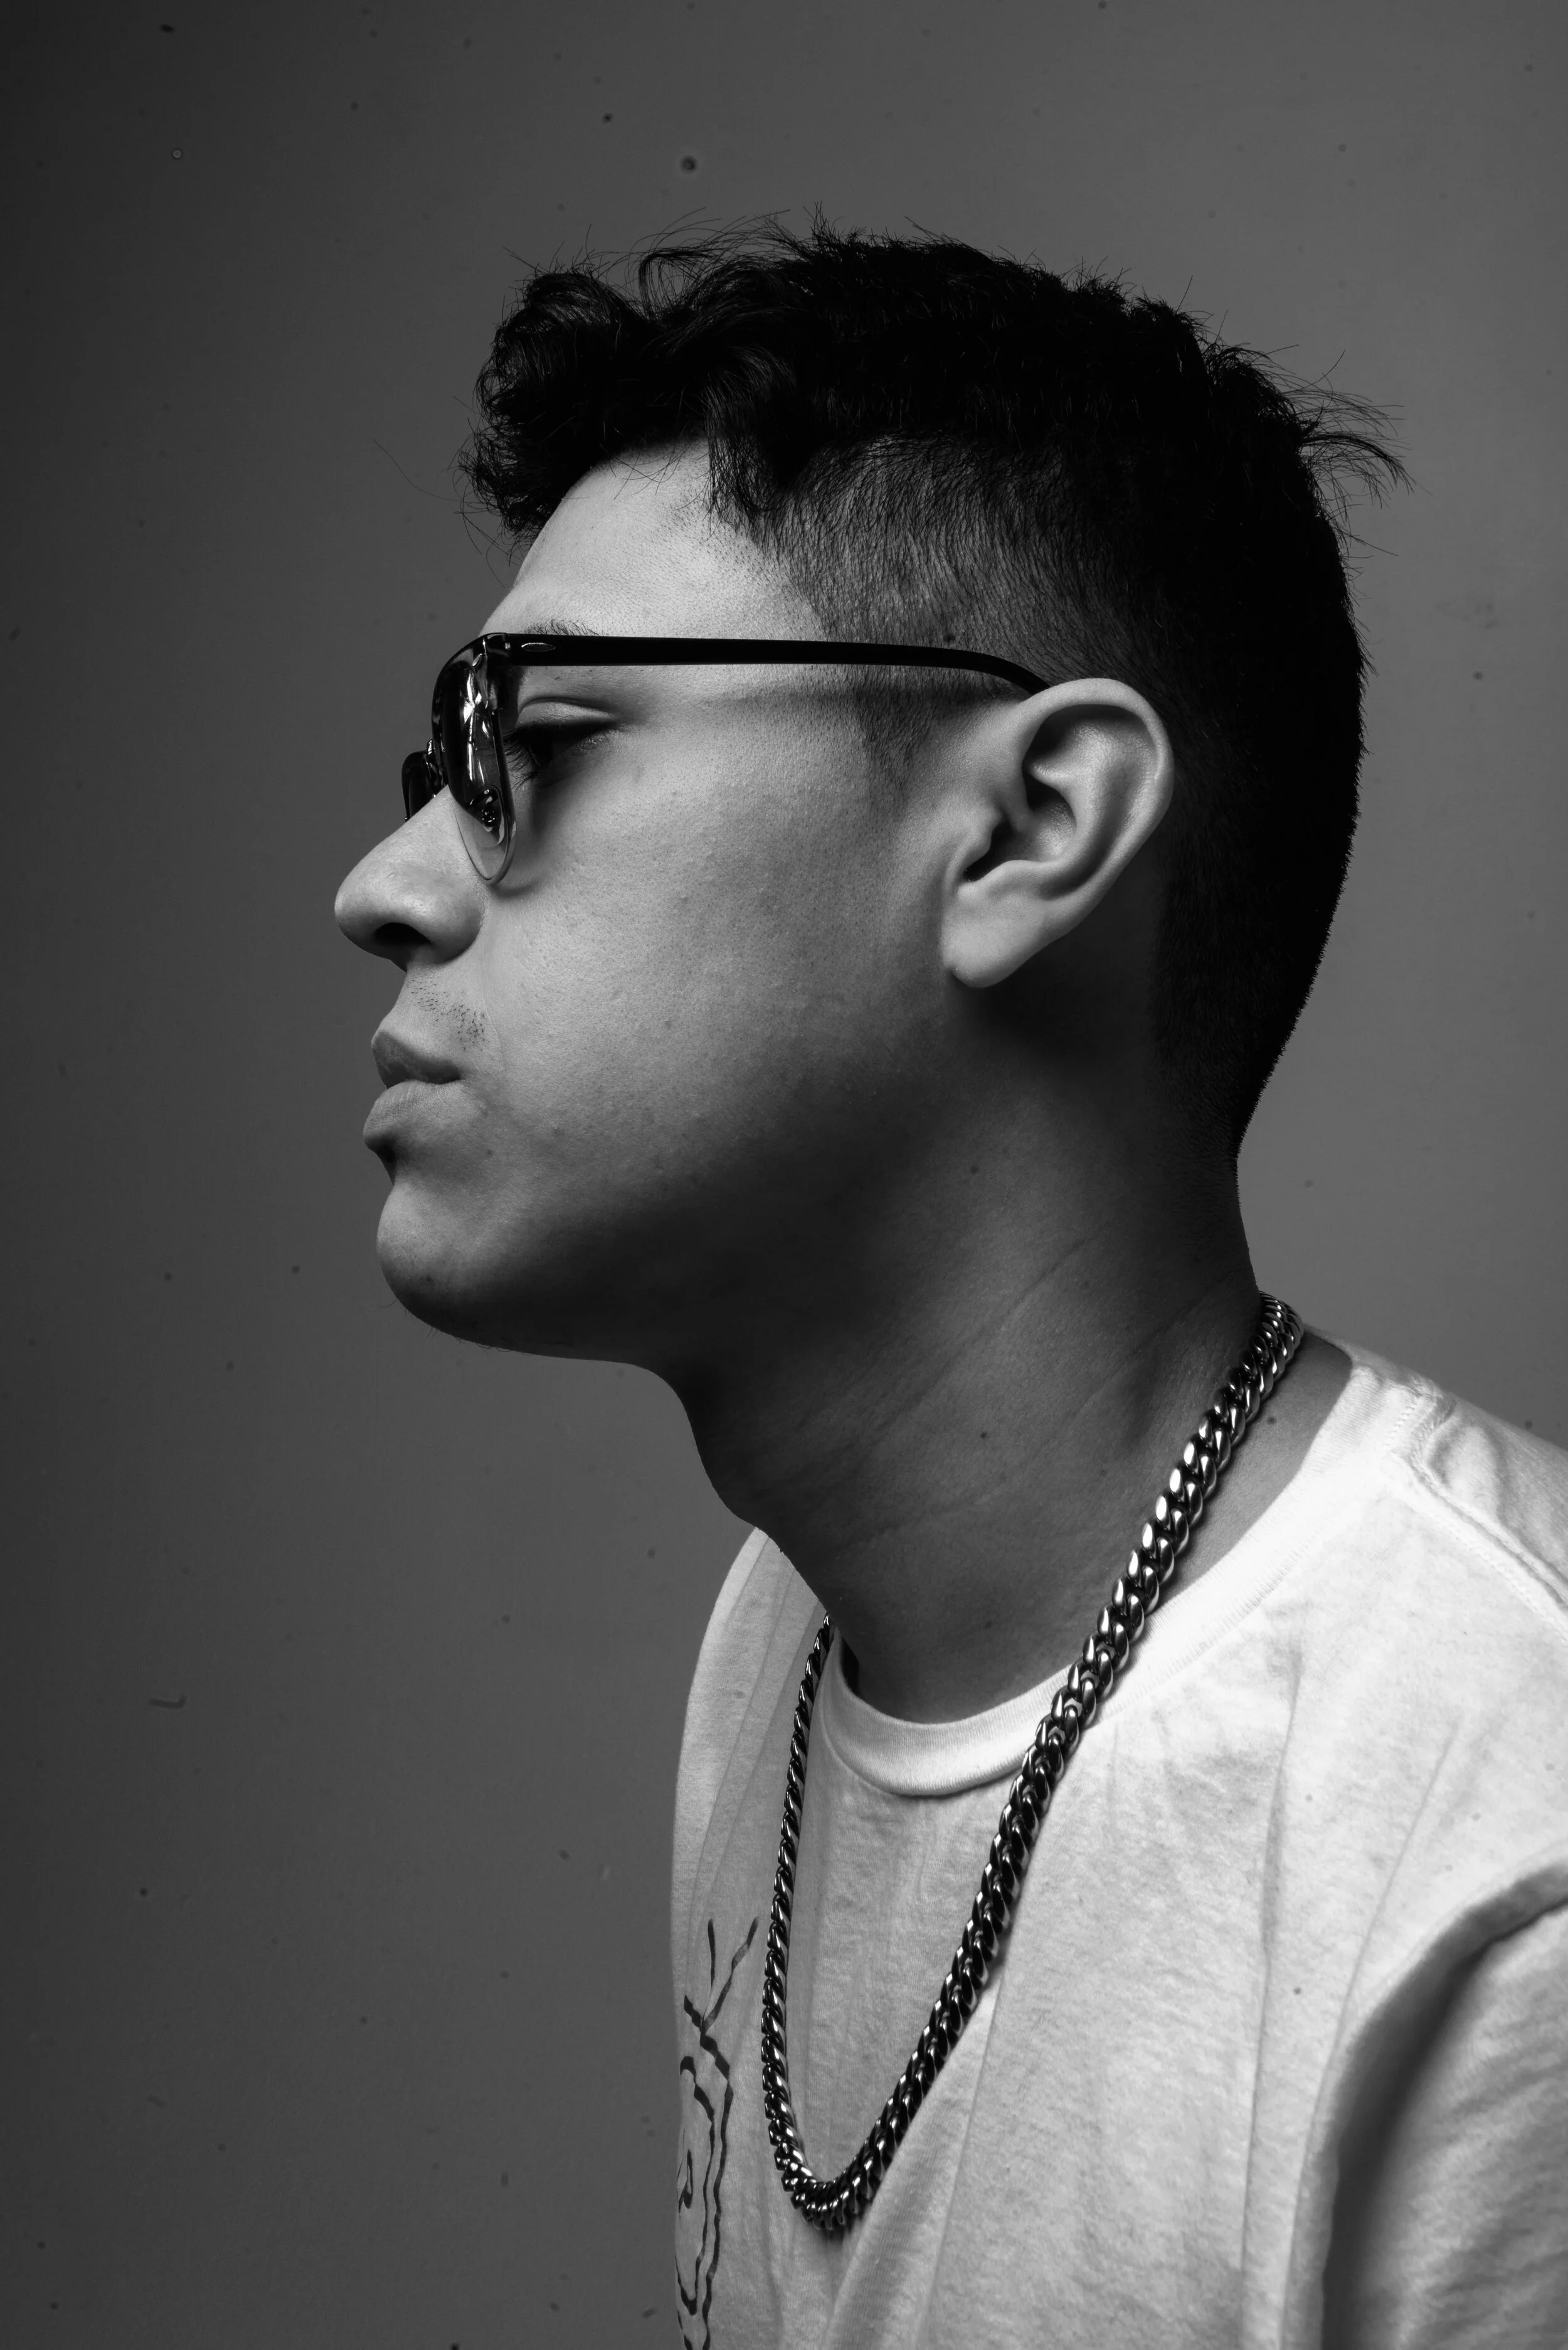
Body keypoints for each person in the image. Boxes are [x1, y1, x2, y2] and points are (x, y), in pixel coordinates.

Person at [335, 226, 1568, 2348]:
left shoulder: (1499, 1875)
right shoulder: (795, 1634)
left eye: (533, 737)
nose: (385, 887)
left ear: (1028, 832)